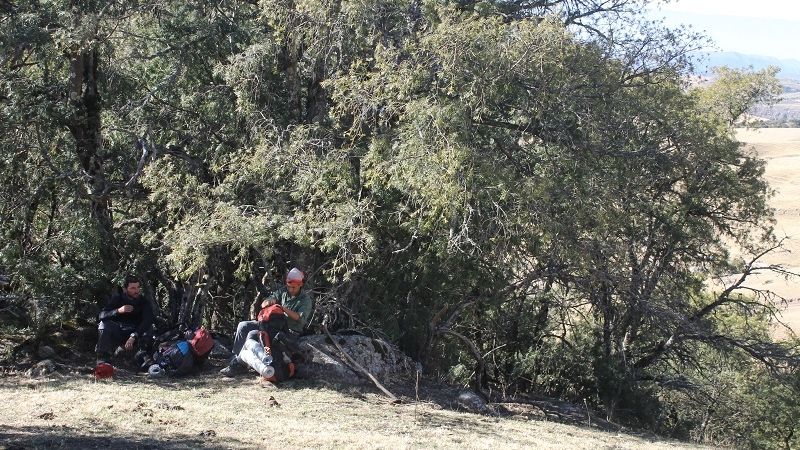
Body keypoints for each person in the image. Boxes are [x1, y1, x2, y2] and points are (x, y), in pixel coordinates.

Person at [220, 267, 312, 377]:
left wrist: (282, 308)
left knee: (253, 335)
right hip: (271, 324)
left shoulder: (305, 300)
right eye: (288, 286)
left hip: (288, 331)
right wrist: (269, 301)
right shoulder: (283, 291)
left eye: (293, 287)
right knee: (243, 326)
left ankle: (240, 365)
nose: (290, 289)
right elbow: (265, 302)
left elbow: (299, 317)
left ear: (300, 285)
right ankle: (235, 359)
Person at [96, 275, 154, 367]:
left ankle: (145, 358)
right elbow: (101, 315)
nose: (136, 291)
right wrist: (118, 311)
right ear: (125, 289)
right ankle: (102, 359)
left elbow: (148, 321)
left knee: (149, 328)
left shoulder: (144, 302)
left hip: (136, 333)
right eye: (133, 288)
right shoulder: (117, 299)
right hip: (119, 332)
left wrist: (134, 335)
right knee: (104, 324)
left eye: (138, 287)